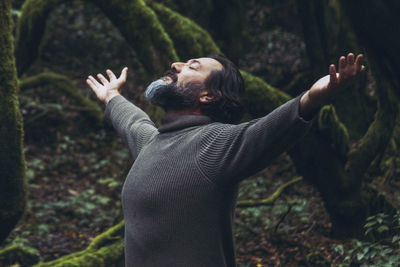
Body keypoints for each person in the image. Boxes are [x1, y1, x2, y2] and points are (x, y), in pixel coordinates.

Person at [86, 53, 365, 266]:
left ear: (208, 95)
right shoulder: (151, 143)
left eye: (192, 66)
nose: (175, 64)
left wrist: (313, 97)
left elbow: (270, 130)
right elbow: (133, 122)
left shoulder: (215, 144)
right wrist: (111, 95)